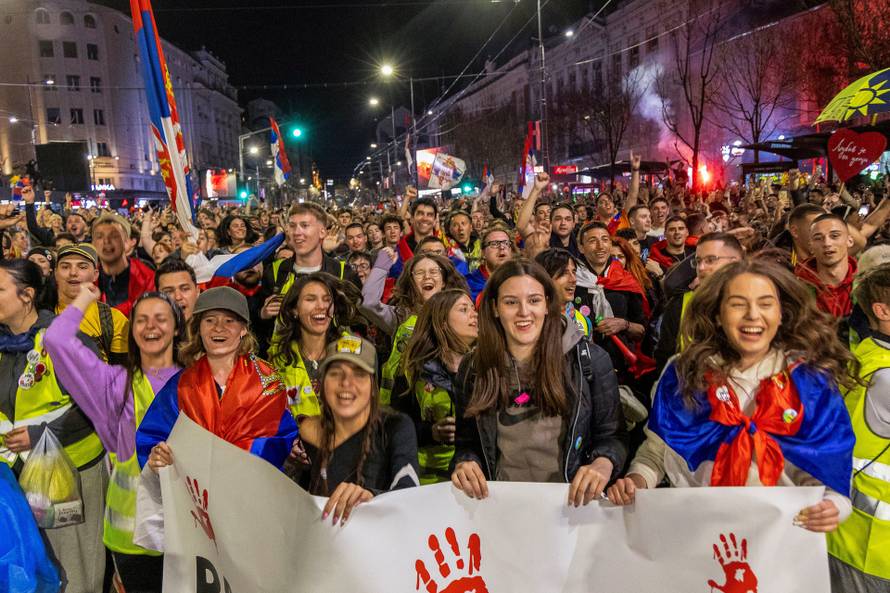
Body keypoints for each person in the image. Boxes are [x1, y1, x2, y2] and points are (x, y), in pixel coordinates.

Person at [607, 260, 857, 536]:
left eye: (765, 304)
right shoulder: (686, 372)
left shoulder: (810, 382)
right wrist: (636, 480)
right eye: (738, 304)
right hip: (697, 535)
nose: (752, 315)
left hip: (781, 541)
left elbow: (832, 464)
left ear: (782, 313)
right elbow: (658, 451)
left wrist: (834, 505)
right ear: (717, 314)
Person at [450, 259, 627, 506]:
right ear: (494, 308)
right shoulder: (473, 369)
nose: (524, 312)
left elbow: (613, 437)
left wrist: (603, 462)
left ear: (546, 304)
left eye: (534, 300)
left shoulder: (590, 361)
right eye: (511, 302)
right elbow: (466, 444)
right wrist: (465, 464)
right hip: (499, 510)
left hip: (570, 509)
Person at [45, 285, 184, 593]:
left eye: (161, 318)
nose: (151, 327)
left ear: (177, 328)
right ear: (130, 331)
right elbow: (56, 340)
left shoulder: (196, 380)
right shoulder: (114, 385)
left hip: (188, 531)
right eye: (141, 320)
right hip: (134, 537)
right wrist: (85, 297)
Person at [0, 259, 107, 593]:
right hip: (15, 479)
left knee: (74, 570)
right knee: (33, 570)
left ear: (27, 295)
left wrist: (40, 434)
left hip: (69, 475)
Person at [286, 335, 419, 526]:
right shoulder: (310, 433)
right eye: (335, 373)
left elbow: (410, 493)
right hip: (326, 543)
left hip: (381, 543)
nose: (346, 382)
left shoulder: (395, 426)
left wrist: (371, 497)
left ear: (373, 386)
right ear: (322, 385)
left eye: (359, 373)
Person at [826, 263, 890, 592]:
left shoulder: (865, 355)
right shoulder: (884, 376)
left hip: (855, 539)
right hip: (873, 549)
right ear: (882, 311)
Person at [363, 251, 468, 404]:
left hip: (448, 407)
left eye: (433, 271)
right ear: (411, 282)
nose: (427, 276)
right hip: (404, 406)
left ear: (444, 281)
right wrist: (382, 264)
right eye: (419, 273)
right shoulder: (400, 316)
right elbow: (368, 303)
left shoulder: (461, 315)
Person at [397, 290, 478, 484]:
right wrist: (431, 432)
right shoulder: (412, 372)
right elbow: (397, 427)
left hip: (475, 478)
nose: (474, 314)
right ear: (442, 322)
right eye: (464, 309)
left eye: (474, 309)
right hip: (426, 482)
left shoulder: (491, 368)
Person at [269, 272, 363, 418]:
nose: (321, 306)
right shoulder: (278, 356)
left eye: (327, 300)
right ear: (294, 310)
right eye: (310, 299)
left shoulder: (354, 350)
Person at [654, 233, 744, 371]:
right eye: (698, 261)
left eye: (710, 260)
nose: (701, 268)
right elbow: (664, 358)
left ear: (734, 262)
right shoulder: (680, 303)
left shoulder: (757, 303)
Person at [53, 243, 130, 365]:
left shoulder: (114, 320)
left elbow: (121, 374)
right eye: (65, 267)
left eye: (82, 267)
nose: (73, 272)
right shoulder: (40, 314)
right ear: (56, 273)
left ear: (95, 275)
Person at [795, 213, 856, 322]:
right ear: (811, 247)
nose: (827, 243)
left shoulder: (869, 285)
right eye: (818, 238)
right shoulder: (795, 289)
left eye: (834, 236)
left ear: (850, 241)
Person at [92, 213, 155, 317]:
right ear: (93, 243)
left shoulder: (147, 278)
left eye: (114, 236)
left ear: (126, 241)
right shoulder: (87, 280)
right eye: (99, 237)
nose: (106, 241)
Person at [535, 248, 593, 336]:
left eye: (574, 272)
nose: (573, 279)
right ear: (544, 278)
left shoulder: (583, 321)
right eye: (564, 273)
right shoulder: (532, 320)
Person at [465, 222, 518, 302]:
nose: (502, 247)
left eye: (506, 243)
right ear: (483, 253)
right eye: (494, 244)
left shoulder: (520, 277)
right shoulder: (469, 283)